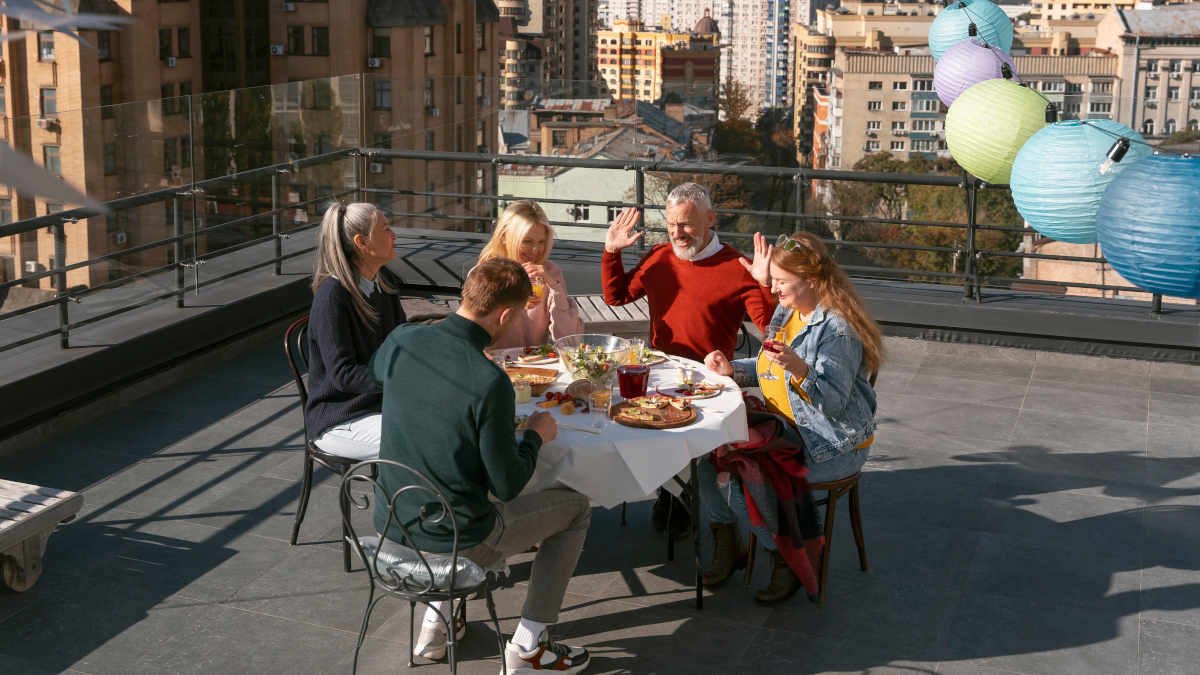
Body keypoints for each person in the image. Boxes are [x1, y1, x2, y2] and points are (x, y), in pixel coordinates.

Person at [371, 258, 592, 673]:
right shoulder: (489, 382)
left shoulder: (402, 340)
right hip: (455, 543)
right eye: (518, 316)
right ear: (504, 314)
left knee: (460, 483)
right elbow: (508, 485)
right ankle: (529, 644)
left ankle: (436, 627)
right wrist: (535, 436)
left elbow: (379, 374)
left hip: (389, 528)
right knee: (577, 508)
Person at [701, 231, 883, 604]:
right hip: (788, 429)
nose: (774, 289)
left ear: (812, 282)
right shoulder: (790, 312)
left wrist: (801, 369)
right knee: (709, 457)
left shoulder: (836, 330)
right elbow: (770, 364)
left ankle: (786, 559)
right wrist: (732, 370)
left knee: (737, 475)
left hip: (829, 445)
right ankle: (746, 543)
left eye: (782, 282)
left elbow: (831, 403)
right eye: (775, 281)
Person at [602, 182, 777, 536]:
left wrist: (765, 284)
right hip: (660, 376)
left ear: (710, 219)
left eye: (685, 225)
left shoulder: (736, 266)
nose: (677, 234)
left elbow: (769, 327)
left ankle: (691, 505)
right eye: (670, 226)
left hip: (709, 384)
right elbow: (616, 296)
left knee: (692, 452)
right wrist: (611, 251)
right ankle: (672, 497)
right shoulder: (658, 257)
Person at [305, 202, 405, 462]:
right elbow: (343, 375)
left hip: (380, 406)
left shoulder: (383, 283)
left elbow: (402, 342)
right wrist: (403, 379)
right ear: (362, 242)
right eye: (385, 229)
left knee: (452, 423)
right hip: (341, 418)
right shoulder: (333, 297)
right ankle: (400, 502)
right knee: (424, 440)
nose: (394, 235)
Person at [478, 200, 584, 349]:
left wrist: (555, 288)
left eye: (541, 241)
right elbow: (476, 336)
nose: (535, 250)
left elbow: (570, 341)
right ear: (504, 237)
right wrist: (515, 304)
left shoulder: (550, 273)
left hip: (536, 366)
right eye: (527, 241)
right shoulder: (484, 274)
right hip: (496, 365)